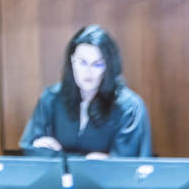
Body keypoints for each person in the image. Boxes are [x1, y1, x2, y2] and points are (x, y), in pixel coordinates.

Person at [19, 25, 152, 159]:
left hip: (103, 181)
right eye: (82, 63)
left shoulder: (129, 108)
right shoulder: (50, 98)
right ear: (71, 61)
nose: (88, 71)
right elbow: (31, 150)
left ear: (109, 67)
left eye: (98, 64)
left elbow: (123, 167)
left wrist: (59, 156)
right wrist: (89, 160)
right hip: (57, 180)